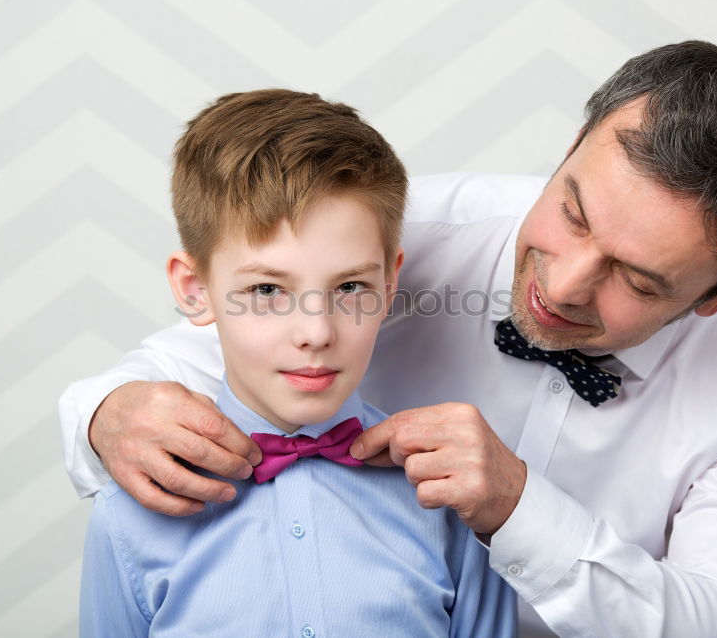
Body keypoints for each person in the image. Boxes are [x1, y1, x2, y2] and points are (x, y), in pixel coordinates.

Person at [60, 41, 717, 636]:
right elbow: (198, 353)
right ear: (572, 146)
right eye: (573, 212)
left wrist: (522, 509)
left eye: (637, 279)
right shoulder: (398, 238)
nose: (561, 286)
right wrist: (106, 413)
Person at [77, 89, 516, 637]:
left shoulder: (450, 503)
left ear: (389, 283)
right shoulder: (131, 514)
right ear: (195, 289)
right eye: (266, 289)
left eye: (350, 286)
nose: (316, 333)